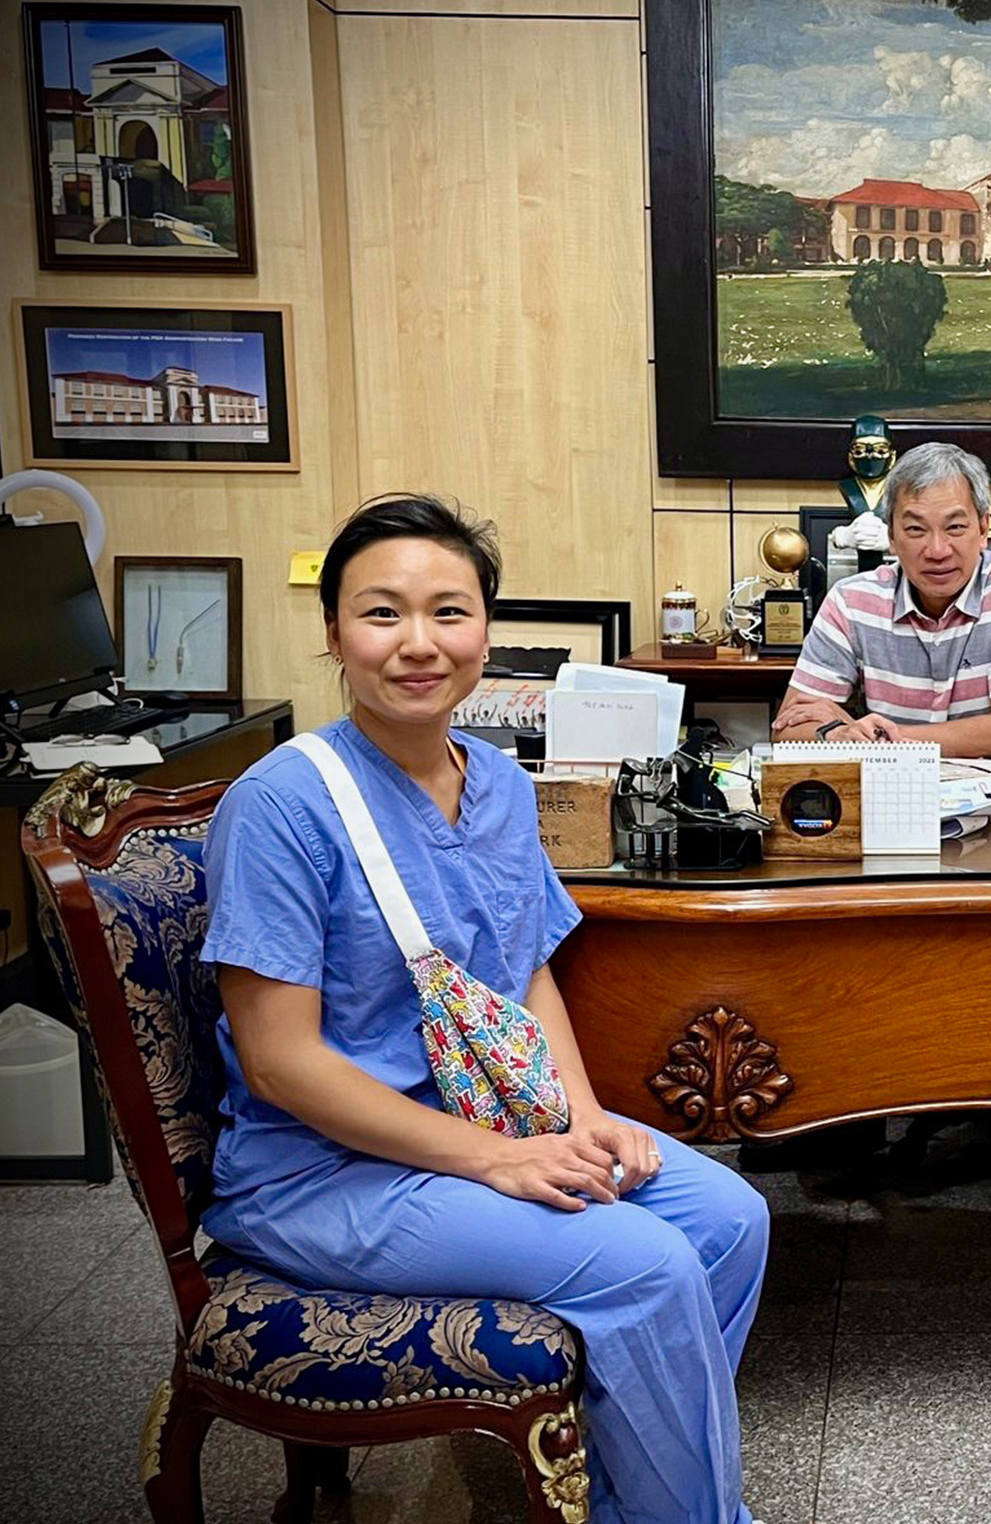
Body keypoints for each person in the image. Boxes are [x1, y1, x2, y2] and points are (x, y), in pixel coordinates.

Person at [199, 494, 770, 1524]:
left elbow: (522, 975)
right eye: (382, 614)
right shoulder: (282, 806)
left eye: (448, 612)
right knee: (643, 1267)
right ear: (333, 632)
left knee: (730, 1218)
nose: (418, 644)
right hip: (326, 1171)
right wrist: (498, 1159)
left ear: (486, 631)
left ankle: (627, 1489)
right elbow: (282, 1063)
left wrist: (581, 1116)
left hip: (483, 1118)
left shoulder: (501, 781)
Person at [774, 442, 991, 761]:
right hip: (893, 798)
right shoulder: (851, 601)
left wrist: (868, 738)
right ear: (892, 538)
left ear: (983, 529)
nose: (937, 550)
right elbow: (788, 729)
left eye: (954, 527)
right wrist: (838, 734)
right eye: (915, 529)